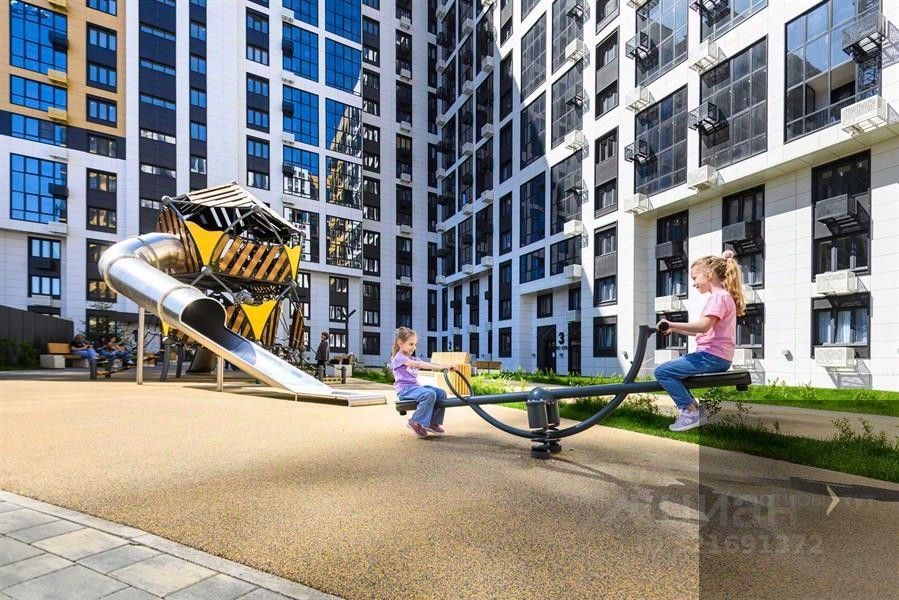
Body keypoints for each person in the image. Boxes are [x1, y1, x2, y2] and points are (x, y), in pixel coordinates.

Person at [654, 250, 746, 432]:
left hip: (711, 356)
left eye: (695, 278)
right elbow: (704, 331)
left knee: (663, 372)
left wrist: (671, 322)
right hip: (716, 356)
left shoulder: (718, 298)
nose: (694, 283)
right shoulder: (723, 297)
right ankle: (694, 410)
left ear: (709, 274)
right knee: (671, 371)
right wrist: (673, 329)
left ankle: (690, 412)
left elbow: (703, 327)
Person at [391, 327, 458, 438]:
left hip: (415, 388)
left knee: (441, 393)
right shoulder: (399, 358)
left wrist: (445, 366)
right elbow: (420, 365)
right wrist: (442, 367)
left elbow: (428, 364)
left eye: (415, 344)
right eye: (411, 344)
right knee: (429, 394)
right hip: (404, 390)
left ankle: (432, 422)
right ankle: (415, 421)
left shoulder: (412, 358)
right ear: (400, 343)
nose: (414, 347)